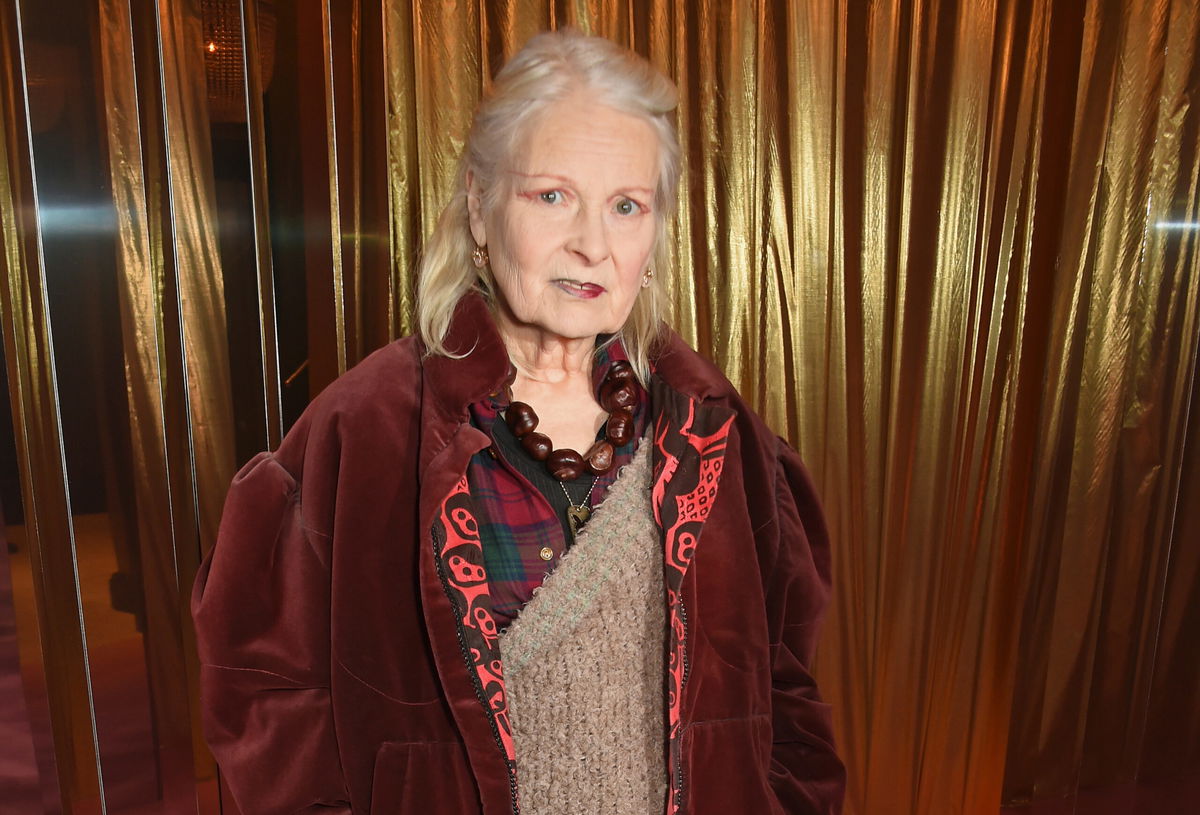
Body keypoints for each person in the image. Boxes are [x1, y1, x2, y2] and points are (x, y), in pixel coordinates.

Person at [193, 28, 844, 815]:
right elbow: (267, 697)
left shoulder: (710, 428)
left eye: (627, 206)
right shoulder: (364, 430)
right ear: (479, 204)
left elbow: (783, 684)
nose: (593, 244)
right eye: (552, 195)